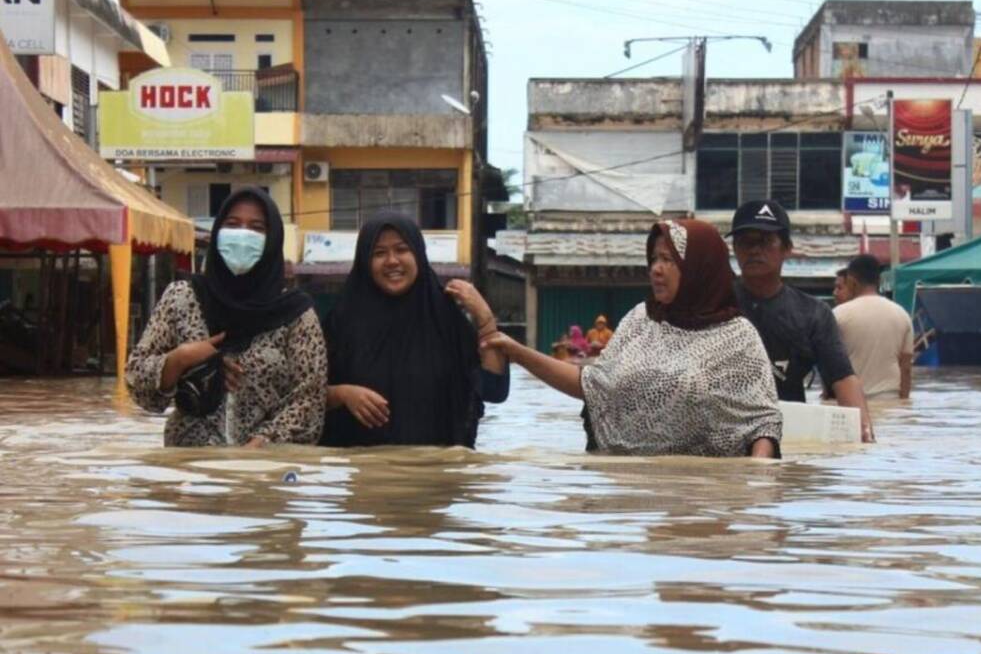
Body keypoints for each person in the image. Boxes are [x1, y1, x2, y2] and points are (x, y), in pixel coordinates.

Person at [482, 219, 781, 458]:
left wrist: (752, 494)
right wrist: (516, 352)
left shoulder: (739, 337)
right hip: (632, 492)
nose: (656, 269)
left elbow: (762, 423)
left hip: (709, 494)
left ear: (698, 268)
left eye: (667, 259)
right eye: (653, 259)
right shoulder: (640, 320)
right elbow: (592, 385)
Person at [127, 188, 326, 447]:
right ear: (218, 232)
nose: (243, 235)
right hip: (188, 471)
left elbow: (309, 400)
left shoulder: (296, 314)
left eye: (256, 228)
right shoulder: (183, 297)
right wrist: (180, 359)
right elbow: (137, 384)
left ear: (273, 238)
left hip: (264, 473)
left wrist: (261, 443)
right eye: (232, 224)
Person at [319, 210, 508, 448]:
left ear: (418, 254)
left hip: (438, 473)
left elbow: (494, 389)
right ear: (365, 262)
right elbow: (304, 397)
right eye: (379, 253)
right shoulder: (341, 322)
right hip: (364, 473)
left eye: (401, 249)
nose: (392, 261)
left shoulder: (446, 319)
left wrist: (484, 316)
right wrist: (342, 394)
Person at [728, 199, 875, 442]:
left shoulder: (813, 314)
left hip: (789, 436)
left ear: (787, 248)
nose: (754, 250)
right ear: (734, 249)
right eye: (745, 242)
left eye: (765, 241)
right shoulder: (714, 304)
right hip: (726, 433)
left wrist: (864, 435)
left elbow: (842, 377)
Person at [834, 254, 914, 399]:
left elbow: (830, 364)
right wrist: (904, 405)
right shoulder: (902, 315)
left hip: (852, 400)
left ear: (851, 281)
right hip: (891, 401)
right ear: (879, 280)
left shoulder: (838, 315)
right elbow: (906, 368)